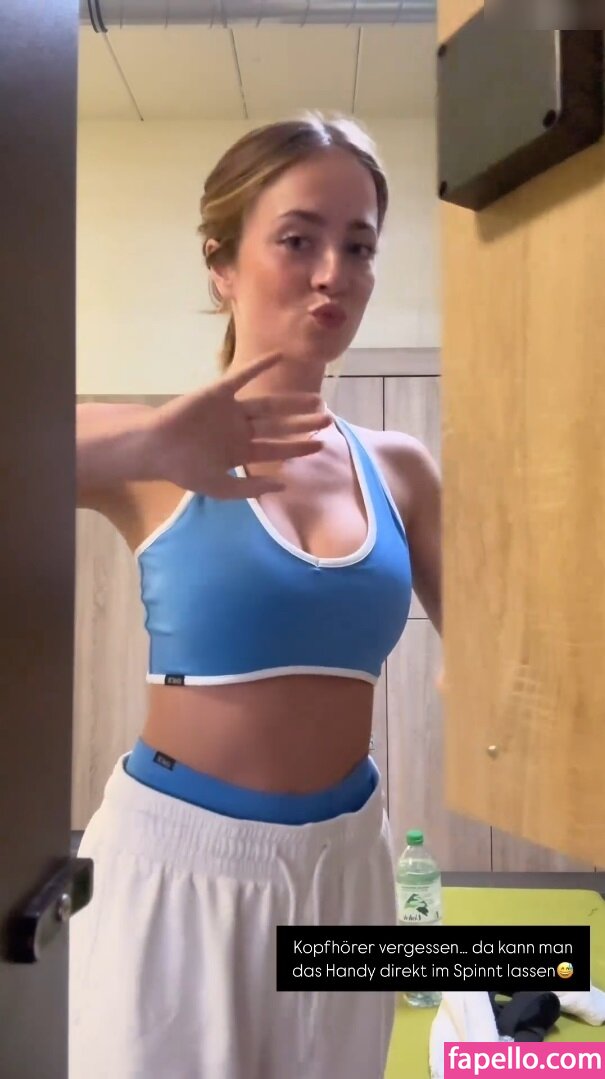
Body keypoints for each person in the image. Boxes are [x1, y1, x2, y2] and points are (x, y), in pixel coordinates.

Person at [69, 112, 441, 1079]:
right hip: (178, 866)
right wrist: (145, 439)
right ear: (221, 265)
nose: (332, 274)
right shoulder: (150, 451)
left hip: (348, 871)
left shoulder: (398, 469)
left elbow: (504, 652)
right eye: (297, 239)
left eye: (359, 246)